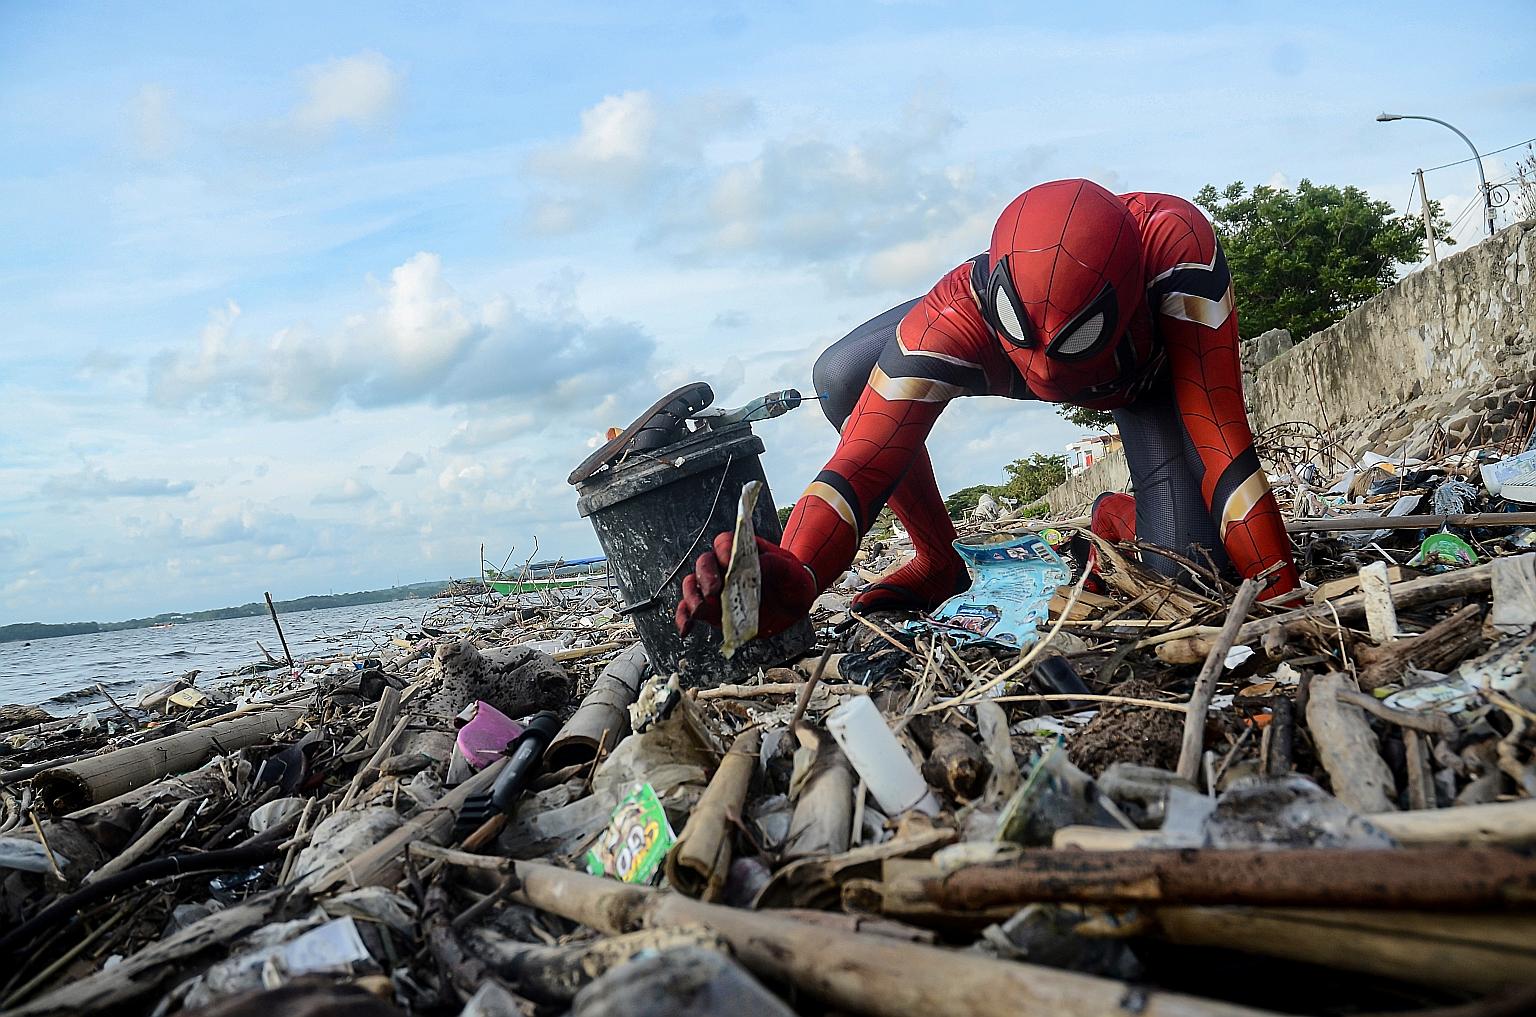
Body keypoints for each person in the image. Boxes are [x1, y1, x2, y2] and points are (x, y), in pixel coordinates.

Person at [676, 177, 1299, 639]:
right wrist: (802, 573)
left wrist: (1281, 595)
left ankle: (1117, 516)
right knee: (842, 377)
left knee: (1186, 582)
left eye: (1073, 337)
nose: (1050, 371)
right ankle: (938, 558)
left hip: (1142, 382)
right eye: (1030, 334)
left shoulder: (1173, 248)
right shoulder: (959, 314)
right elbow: (859, 462)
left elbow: (1220, 441)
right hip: (1019, 345)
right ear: (993, 286)